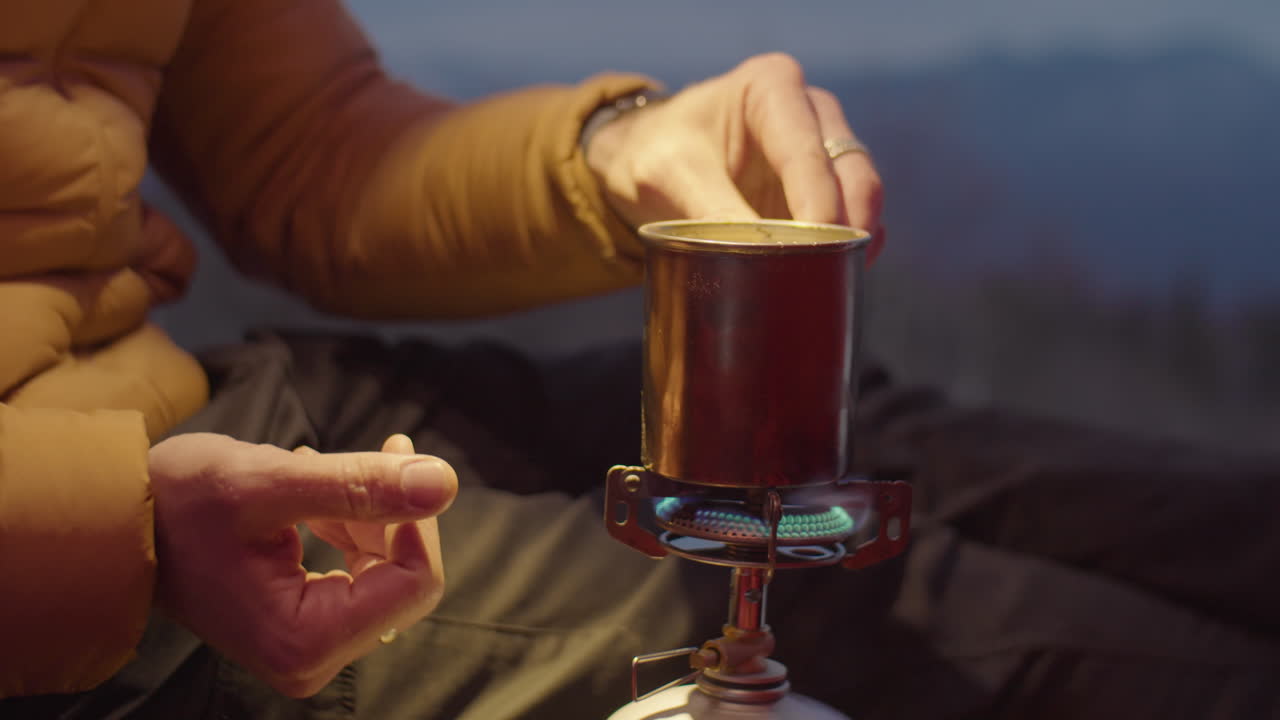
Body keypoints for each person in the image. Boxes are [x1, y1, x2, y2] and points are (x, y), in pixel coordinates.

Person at [3, 2, 1279, 719]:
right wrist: (119, 539)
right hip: (90, 563)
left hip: (220, 396)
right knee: (894, 613)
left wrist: (617, 149)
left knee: (931, 458)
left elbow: (297, 147)